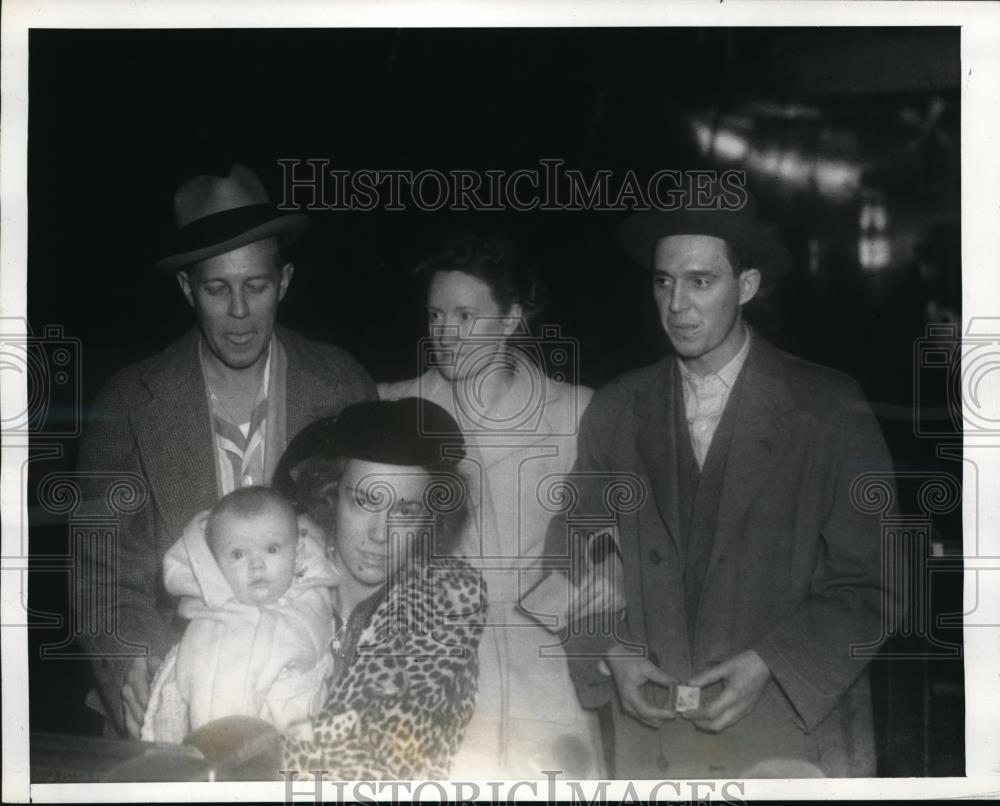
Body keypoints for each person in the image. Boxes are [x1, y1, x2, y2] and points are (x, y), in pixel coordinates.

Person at [541, 188, 895, 777]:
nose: (677, 304)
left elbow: (877, 581)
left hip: (786, 739)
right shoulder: (616, 408)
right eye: (663, 281)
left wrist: (770, 662)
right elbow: (569, 554)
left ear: (747, 286)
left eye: (700, 282)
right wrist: (610, 650)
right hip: (652, 740)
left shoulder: (828, 407)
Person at [76, 164, 375, 738]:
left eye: (256, 286)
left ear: (284, 281)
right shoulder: (126, 402)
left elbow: (375, 559)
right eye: (217, 289)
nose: (239, 313)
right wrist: (137, 665)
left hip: (316, 708)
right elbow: (103, 574)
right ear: (188, 289)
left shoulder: (344, 386)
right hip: (174, 706)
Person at [379, 233, 603, 779]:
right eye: (435, 315)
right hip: (429, 672)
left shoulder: (576, 413)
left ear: (511, 320)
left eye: (465, 315)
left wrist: (560, 607)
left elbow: (608, 544)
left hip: (547, 675)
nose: (445, 334)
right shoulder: (393, 408)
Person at [272, 398, 486, 779]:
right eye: (365, 501)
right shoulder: (273, 579)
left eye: (404, 511)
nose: (379, 534)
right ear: (330, 495)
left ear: (429, 520)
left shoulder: (445, 612)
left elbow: (378, 767)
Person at [141, 486, 339, 743]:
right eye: (238, 554)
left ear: (298, 555)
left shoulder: (310, 602)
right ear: (213, 564)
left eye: (271, 549)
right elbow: (191, 711)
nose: (257, 564)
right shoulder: (212, 624)